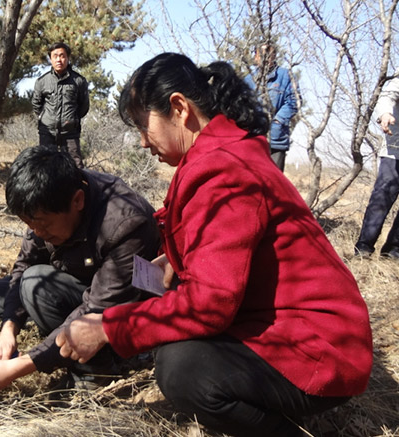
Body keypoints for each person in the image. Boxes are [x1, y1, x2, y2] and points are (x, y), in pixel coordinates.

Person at [54, 53, 373, 437]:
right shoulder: (219, 155)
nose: (141, 142)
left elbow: (209, 305)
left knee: (185, 368)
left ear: (178, 108)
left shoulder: (225, 172)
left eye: (143, 126)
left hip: (319, 348)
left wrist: (109, 327)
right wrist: (174, 258)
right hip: (294, 328)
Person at [0, 146, 160, 390]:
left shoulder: (126, 225)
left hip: (119, 310)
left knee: (35, 285)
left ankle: (95, 369)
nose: (37, 233)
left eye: (43, 225)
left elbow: (98, 308)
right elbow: (25, 262)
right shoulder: (48, 198)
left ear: (77, 200)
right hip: (76, 279)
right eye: (30, 225)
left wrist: (19, 367)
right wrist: (8, 330)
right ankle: (52, 327)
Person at [354, 76, 399, 259]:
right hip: (395, 149)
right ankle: (363, 248)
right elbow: (388, 96)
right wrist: (385, 114)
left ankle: (393, 251)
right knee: (382, 197)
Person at [31, 42, 89, 168]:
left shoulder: (79, 81)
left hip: (70, 133)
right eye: (55, 56)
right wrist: (46, 119)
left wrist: (71, 119)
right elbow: (36, 104)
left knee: (75, 166)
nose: (59, 59)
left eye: (62, 56)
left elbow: (83, 106)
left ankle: (77, 188)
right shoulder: (42, 81)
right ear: (50, 59)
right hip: (47, 132)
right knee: (45, 166)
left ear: (68, 58)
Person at [246, 43, 300, 171]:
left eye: (269, 55)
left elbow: (294, 102)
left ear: (274, 56)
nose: (265, 58)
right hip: (252, 140)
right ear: (256, 57)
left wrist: (277, 121)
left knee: (273, 185)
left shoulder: (286, 76)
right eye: (261, 55)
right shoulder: (248, 79)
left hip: (276, 140)